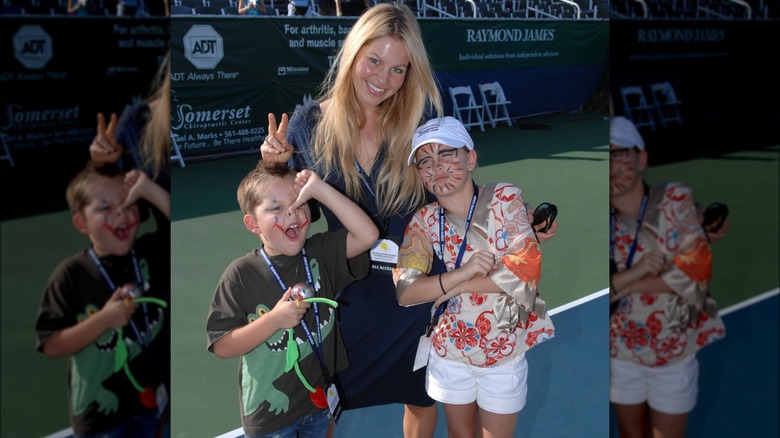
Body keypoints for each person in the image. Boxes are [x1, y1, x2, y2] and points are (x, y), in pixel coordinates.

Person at [260, 4, 557, 436]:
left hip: (417, 284)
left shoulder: (417, 118)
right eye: (375, 61)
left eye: (399, 69)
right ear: (353, 53)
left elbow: (448, 182)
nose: (384, 78)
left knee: (419, 399)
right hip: (348, 291)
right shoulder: (308, 124)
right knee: (327, 404)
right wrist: (275, 167)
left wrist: (514, 217)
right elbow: (294, 211)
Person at [393, 116, 555, 438]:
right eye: (426, 161)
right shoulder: (424, 221)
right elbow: (406, 291)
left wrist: (458, 286)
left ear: (470, 158)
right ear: (420, 174)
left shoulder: (505, 199)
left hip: (503, 351)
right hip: (451, 350)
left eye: (447, 154)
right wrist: (463, 273)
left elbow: (525, 270)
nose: (436, 166)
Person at [205, 161, 379, 438]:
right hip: (270, 413)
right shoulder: (240, 274)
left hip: (318, 399)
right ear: (252, 223)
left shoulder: (320, 252)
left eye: (299, 203)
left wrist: (320, 189)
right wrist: (274, 320)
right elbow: (223, 346)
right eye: (275, 208)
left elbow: (368, 234)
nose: (292, 214)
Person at [608, 115, 726, 438]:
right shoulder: (604, 225)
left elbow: (697, 272)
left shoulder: (674, 199)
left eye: (619, 153)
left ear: (641, 158)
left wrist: (622, 284)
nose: (611, 165)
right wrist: (640, 272)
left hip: (674, 351)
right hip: (621, 350)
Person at [35, 161, 171, 438]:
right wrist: (104, 320)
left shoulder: (149, 254)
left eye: (128, 202)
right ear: (81, 223)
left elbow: (174, 219)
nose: (120, 213)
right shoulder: (70, 275)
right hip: (101, 418)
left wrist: (147, 188)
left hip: (153, 404)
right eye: (105, 208)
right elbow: (50, 345)